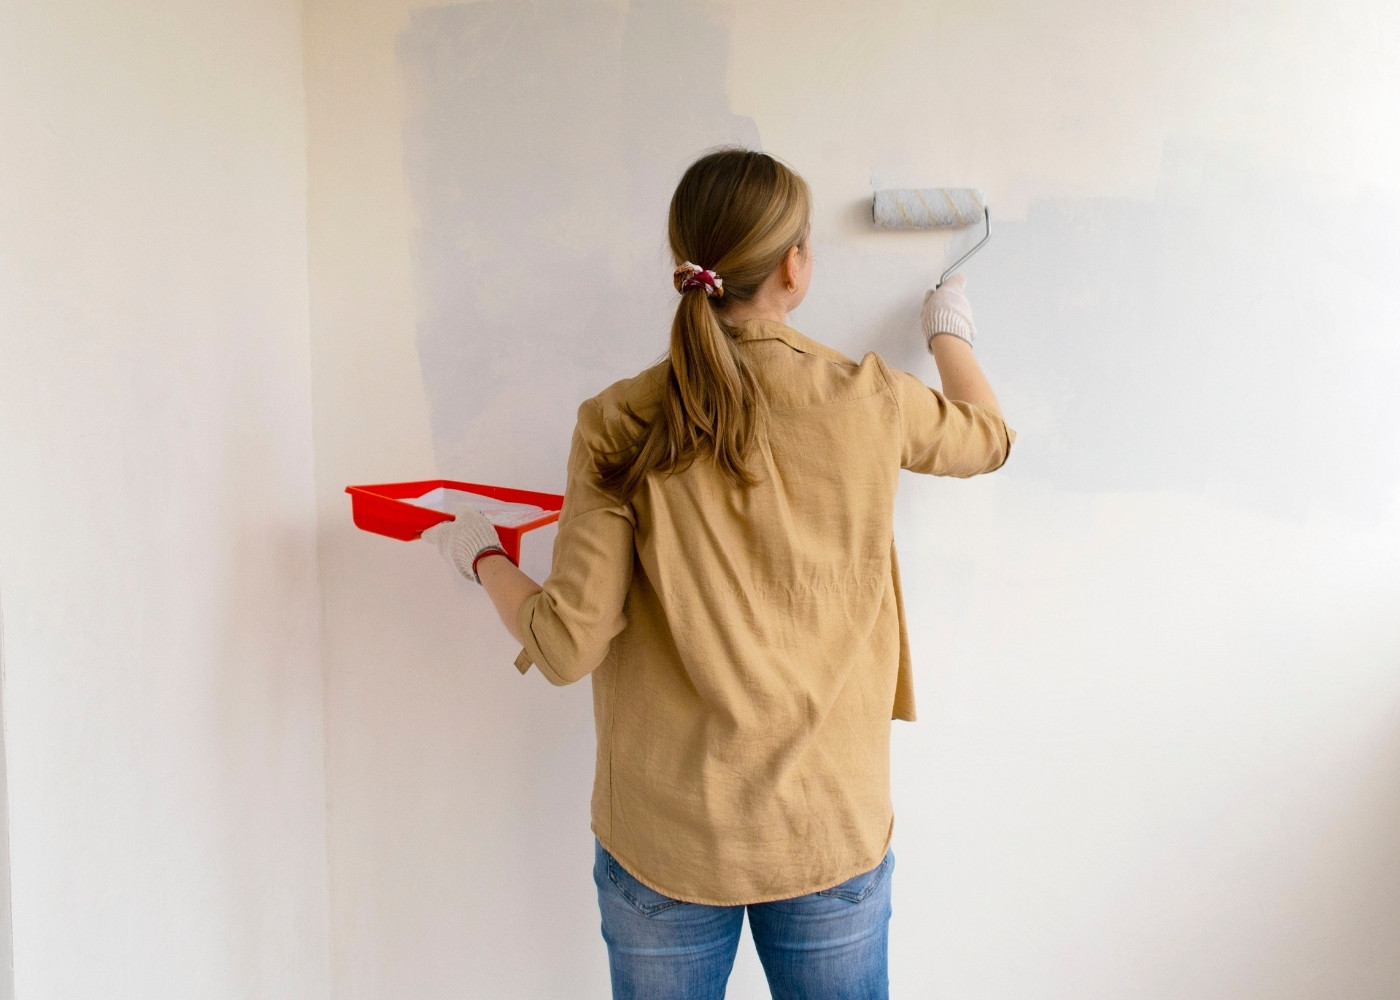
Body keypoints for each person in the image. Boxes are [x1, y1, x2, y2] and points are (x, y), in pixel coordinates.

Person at [424, 148, 1014, 1000]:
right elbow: (989, 437)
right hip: (828, 827)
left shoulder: (619, 421)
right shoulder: (872, 400)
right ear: (795, 267)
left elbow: (565, 645)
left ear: (688, 266)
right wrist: (947, 327)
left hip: (667, 840)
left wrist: (482, 555)